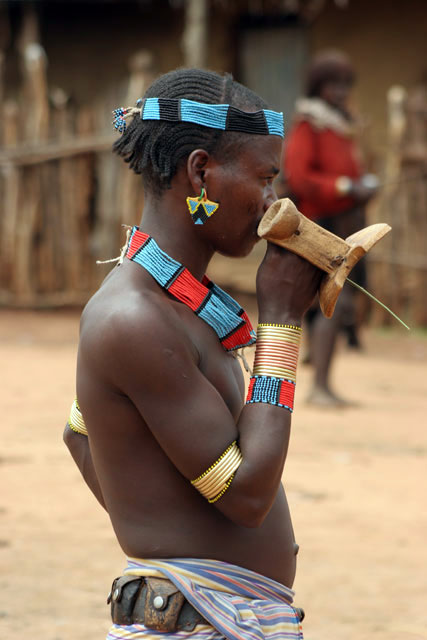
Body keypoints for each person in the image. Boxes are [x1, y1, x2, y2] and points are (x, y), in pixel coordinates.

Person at [63, 68, 321, 640]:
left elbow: (80, 432)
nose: (273, 202)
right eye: (265, 178)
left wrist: (166, 523)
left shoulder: (180, 302)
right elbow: (247, 496)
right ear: (201, 171)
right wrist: (281, 322)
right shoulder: (135, 316)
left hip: (216, 615)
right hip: (196, 622)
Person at [283, 50, 378, 407]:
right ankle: (320, 388)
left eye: (344, 85)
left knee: (335, 303)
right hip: (318, 226)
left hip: (344, 224)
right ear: (318, 86)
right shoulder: (309, 125)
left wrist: (362, 186)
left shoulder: (340, 125)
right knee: (335, 303)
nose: (340, 92)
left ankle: (321, 383)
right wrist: (345, 187)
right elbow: (300, 178)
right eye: (333, 85)